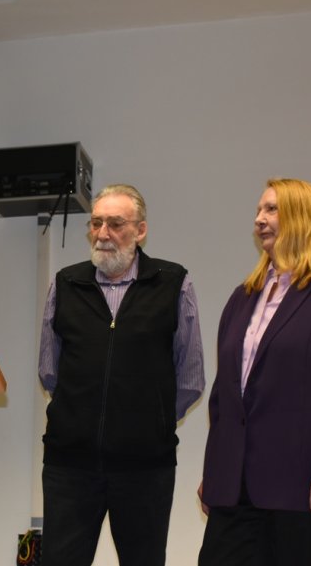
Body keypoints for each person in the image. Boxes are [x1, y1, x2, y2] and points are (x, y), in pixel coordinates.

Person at [197, 178, 311, 566]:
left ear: (303, 216)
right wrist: (217, 470)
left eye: (270, 210)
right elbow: (226, 394)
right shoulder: (244, 295)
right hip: (238, 487)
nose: (258, 220)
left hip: (305, 487)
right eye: (258, 211)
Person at [38, 183, 205, 566]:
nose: (102, 234)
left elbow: (190, 377)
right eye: (96, 223)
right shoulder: (66, 283)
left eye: (115, 224)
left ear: (140, 230)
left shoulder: (173, 283)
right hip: (70, 465)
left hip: (145, 467)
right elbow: (50, 372)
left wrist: (153, 422)